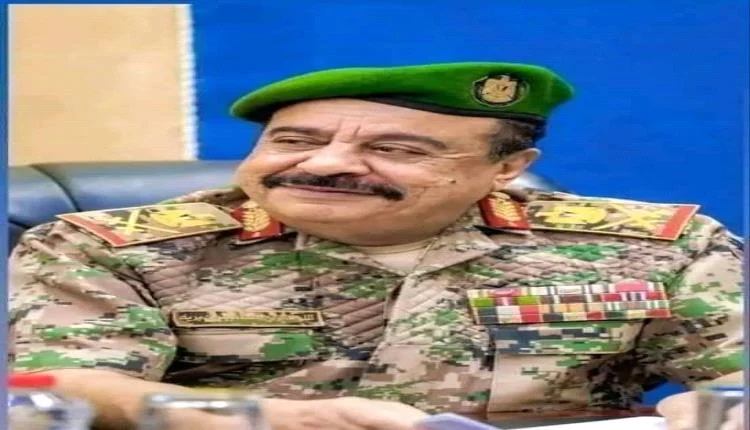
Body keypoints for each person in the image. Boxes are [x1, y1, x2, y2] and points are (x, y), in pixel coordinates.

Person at [8, 62, 744, 430]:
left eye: (395, 149)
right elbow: (57, 386)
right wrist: (268, 418)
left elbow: (733, 373)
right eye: (292, 141)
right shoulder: (109, 247)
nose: (326, 164)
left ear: (507, 168)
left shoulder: (659, 247)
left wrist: (722, 405)